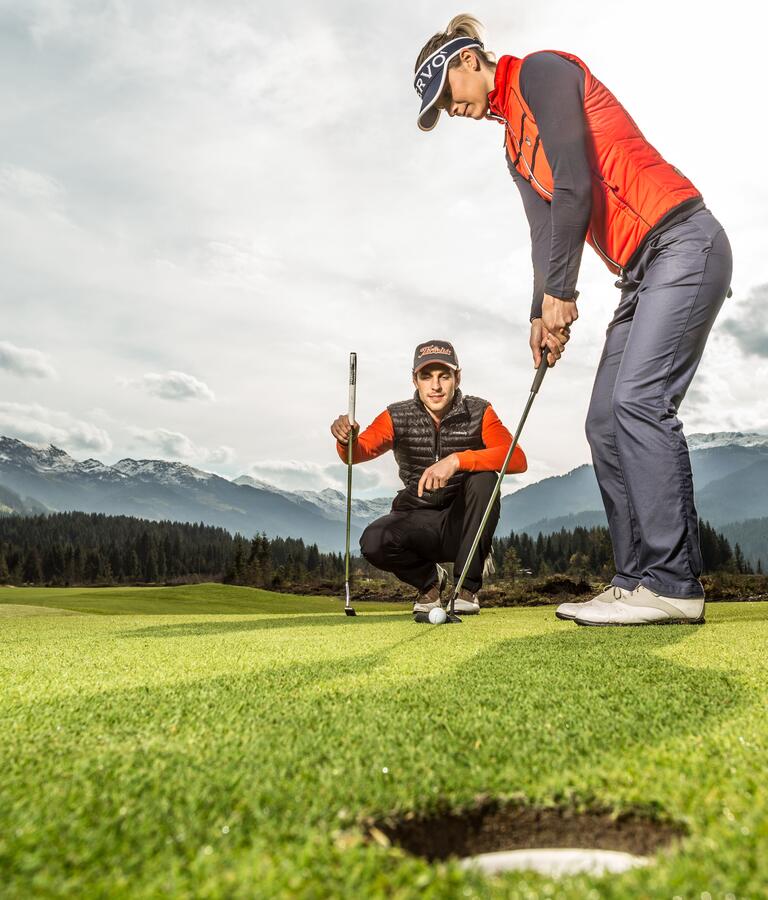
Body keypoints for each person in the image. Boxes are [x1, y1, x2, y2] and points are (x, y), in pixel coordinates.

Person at [412, 15, 733, 627]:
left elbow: (577, 182)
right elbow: (546, 232)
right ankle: (635, 578)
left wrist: (564, 291)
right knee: (605, 420)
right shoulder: (512, 147)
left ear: (466, 63)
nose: (450, 111)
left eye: (446, 98)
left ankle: (674, 583)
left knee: (640, 401)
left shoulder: (542, 72)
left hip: (684, 239)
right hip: (640, 270)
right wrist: (541, 311)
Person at [330, 340, 527, 616]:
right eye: (427, 377)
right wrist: (345, 439)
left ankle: (465, 589)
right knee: (374, 541)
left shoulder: (480, 411)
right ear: (415, 380)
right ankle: (430, 584)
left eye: (444, 376)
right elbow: (356, 453)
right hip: (417, 520)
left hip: (462, 525)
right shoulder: (396, 415)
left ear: (457, 378)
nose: (435, 386)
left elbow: (516, 458)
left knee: (485, 479)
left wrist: (457, 460)